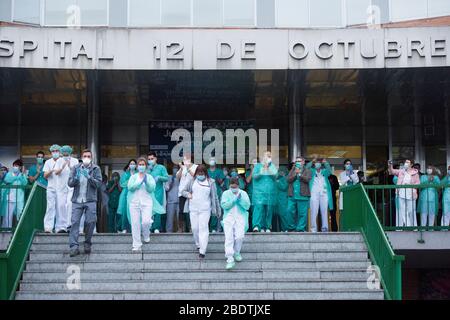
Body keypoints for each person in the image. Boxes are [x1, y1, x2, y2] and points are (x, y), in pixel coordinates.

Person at [67, 149, 102, 257]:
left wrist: (89, 177)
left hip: (90, 200)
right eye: (85, 156)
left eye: (88, 156)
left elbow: (98, 184)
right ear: (82, 157)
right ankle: (74, 247)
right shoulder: (75, 168)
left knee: (90, 222)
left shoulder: (96, 168)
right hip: (77, 200)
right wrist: (76, 178)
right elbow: (70, 183)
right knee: (74, 223)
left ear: (91, 158)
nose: (86, 158)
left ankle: (87, 243)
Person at [181, 164, 220, 259]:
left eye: (202, 173)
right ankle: (198, 244)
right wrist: (188, 195)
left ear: (205, 173)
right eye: (199, 173)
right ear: (196, 174)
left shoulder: (211, 182)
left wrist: (218, 210)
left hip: (205, 210)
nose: (200, 175)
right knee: (194, 228)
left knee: (203, 228)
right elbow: (183, 191)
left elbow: (215, 197)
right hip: (193, 209)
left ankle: (202, 250)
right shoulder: (192, 181)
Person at [127, 158, 165, 252]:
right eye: (139, 164)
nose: (141, 166)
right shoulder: (133, 177)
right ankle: (136, 245)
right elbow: (130, 188)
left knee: (146, 222)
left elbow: (151, 189)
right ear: (137, 166)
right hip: (134, 203)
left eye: (143, 164)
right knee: (135, 224)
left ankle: (146, 234)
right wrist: (138, 182)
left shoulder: (149, 177)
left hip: (147, 202)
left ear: (146, 166)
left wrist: (146, 182)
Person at [220, 177, 251, 270]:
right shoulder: (226, 193)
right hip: (228, 218)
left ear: (238, 185)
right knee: (229, 238)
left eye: (235, 186)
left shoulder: (243, 193)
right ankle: (230, 259)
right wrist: (233, 201)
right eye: (232, 187)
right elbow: (224, 205)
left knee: (239, 236)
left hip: (240, 218)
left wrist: (240, 200)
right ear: (229, 186)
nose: (234, 188)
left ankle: (237, 252)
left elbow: (247, 206)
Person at [53, 145, 79, 233]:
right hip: (61, 187)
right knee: (61, 206)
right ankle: (61, 226)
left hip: (71, 187)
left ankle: (69, 224)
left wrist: (70, 166)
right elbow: (56, 172)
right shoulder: (59, 160)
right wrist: (63, 166)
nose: (65, 154)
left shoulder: (75, 161)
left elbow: (77, 172)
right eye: (63, 153)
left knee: (69, 204)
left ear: (70, 152)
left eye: (67, 153)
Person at [388, 159, 420, 227]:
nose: (406, 164)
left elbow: (418, 184)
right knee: (402, 210)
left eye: (408, 163)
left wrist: (410, 185)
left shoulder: (415, 173)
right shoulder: (401, 171)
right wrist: (390, 165)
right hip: (401, 193)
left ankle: (413, 227)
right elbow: (392, 171)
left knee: (411, 211)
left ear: (411, 165)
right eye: (405, 162)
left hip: (411, 194)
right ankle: (406, 226)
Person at [251, 151, 278, 232]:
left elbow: (275, 176)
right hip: (259, 193)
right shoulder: (258, 166)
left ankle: (267, 227)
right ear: (263, 157)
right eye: (266, 156)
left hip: (270, 193)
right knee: (259, 209)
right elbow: (254, 176)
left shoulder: (272, 166)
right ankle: (257, 226)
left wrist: (268, 169)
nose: (268, 158)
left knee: (268, 209)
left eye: (269, 156)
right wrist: (262, 170)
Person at [306, 158, 333, 232]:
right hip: (314, 193)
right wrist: (312, 162)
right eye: (316, 163)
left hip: (324, 193)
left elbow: (330, 171)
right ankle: (313, 229)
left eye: (319, 163)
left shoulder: (325, 172)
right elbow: (306, 168)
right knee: (314, 211)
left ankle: (325, 229)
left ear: (321, 164)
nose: (317, 164)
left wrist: (326, 163)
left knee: (324, 211)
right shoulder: (311, 171)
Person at [0, 159, 28, 228]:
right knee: (8, 215)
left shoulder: (22, 175)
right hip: (10, 198)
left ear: (20, 167)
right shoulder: (9, 174)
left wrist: (21, 175)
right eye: (14, 165)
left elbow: (25, 184)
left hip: (19, 198)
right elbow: (7, 180)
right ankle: (6, 229)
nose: (15, 167)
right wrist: (16, 177)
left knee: (20, 214)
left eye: (17, 166)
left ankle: (20, 229)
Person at [287, 157, 312, 232]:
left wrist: (300, 174)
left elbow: (307, 179)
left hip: (303, 196)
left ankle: (300, 228)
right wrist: (295, 174)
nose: (298, 162)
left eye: (299, 161)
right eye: (297, 161)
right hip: (292, 195)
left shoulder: (307, 171)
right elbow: (288, 179)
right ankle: (291, 228)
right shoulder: (292, 170)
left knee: (302, 213)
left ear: (303, 162)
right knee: (289, 211)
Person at [147, 151, 168, 233]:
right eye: (149, 159)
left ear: (155, 158)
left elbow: (166, 178)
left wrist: (159, 177)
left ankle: (156, 227)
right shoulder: (147, 169)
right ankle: (149, 227)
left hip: (158, 192)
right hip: (149, 192)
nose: (150, 160)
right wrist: (148, 171)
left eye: (152, 158)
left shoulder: (161, 167)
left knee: (157, 209)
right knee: (148, 210)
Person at [43, 144, 62, 233]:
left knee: (60, 208)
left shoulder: (62, 161)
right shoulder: (48, 162)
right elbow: (45, 176)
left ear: (60, 152)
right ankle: (48, 227)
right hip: (51, 188)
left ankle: (59, 227)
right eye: (53, 151)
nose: (55, 153)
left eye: (57, 151)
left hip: (61, 189)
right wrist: (51, 170)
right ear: (51, 153)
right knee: (50, 207)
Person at [176, 154, 197, 232]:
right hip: (182, 192)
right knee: (181, 211)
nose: (185, 161)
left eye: (187, 159)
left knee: (192, 211)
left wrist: (188, 168)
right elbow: (177, 177)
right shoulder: (183, 167)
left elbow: (195, 176)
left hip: (192, 192)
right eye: (184, 159)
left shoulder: (196, 167)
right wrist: (181, 169)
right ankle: (180, 228)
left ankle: (192, 227)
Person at [117, 159, 137, 233]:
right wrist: (131, 180)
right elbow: (122, 184)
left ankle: (133, 228)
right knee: (125, 211)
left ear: (136, 165)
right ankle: (124, 228)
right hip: (126, 194)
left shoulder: (138, 173)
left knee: (135, 212)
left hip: (135, 194)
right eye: (131, 164)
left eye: (134, 164)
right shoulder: (125, 174)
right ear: (129, 165)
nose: (132, 165)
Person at [207, 157, 225, 232]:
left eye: (213, 160)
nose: (212, 162)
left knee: (214, 211)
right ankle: (207, 227)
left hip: (217, 193)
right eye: (210, 160)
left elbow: (222, 183)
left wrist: (218, 180)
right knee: (207, 211)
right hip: (207, 193)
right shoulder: (206, 171)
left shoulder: (219, 171)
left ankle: (213, 228)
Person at [165, 165, 180, 232]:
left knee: (179, 218)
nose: (175, 170)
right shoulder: (169, 177)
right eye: (174, 168)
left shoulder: (181, 177)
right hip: (171, 200)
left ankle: (180, 231)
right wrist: (172, 181)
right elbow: (167, 189)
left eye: (176, 168)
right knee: (169, 218)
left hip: (179, 201)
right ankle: (169, 231)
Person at [275, 165, 289, 232]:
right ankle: (278, 229)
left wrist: (278, 182)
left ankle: (285, 228)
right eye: (279, 171)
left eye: (282, 171)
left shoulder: (285, 178)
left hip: (283, 199)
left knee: (283, 214)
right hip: (276, 199)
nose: (281, 173)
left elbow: (284, 187)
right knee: (277, 215)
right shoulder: (277, 178)